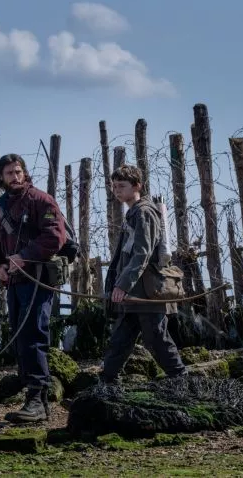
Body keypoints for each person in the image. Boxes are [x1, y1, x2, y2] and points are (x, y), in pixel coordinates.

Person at [0, 153, 66, 422]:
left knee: (33, 336)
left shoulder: (41, 200)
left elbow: (55, 236)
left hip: (38, 279)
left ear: (25, 172)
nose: (15, 177)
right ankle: (35, 399)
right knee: (21, 338)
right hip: (15, 282)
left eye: (18, 171)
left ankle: (37, 400)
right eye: (9, 173)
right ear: (1, 178)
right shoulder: (0, 208)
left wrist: (24, 256)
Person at [102, 164, 187, 384]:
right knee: (120, 340)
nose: (117, 190)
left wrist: (122, 285)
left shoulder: (144, 212)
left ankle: (182, 381)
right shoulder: (133, 213)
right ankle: (106, 384)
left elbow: (142, 254)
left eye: (122, 186)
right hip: (135, 293)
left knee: (157, 339)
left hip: (147, 291)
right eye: (114, 186)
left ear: (137, 186)